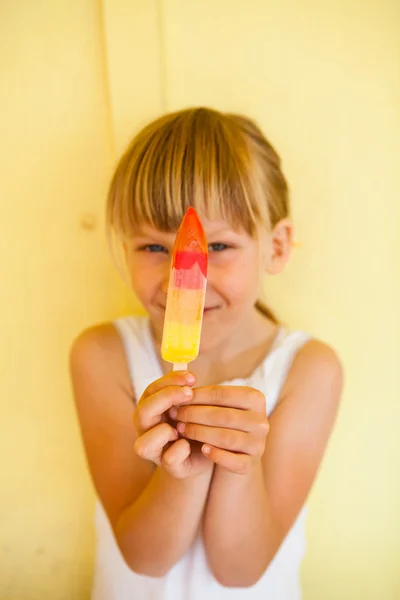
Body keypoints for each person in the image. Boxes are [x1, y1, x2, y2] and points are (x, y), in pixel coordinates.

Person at [69, 107, 343, 600]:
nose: (183, 277)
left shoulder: (310, 371)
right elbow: (142, 557)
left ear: (276, 247)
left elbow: (239, 571)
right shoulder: (102, 356)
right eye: (153, 248)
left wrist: (240, 465)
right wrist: (180, 474)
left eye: (217, 245)